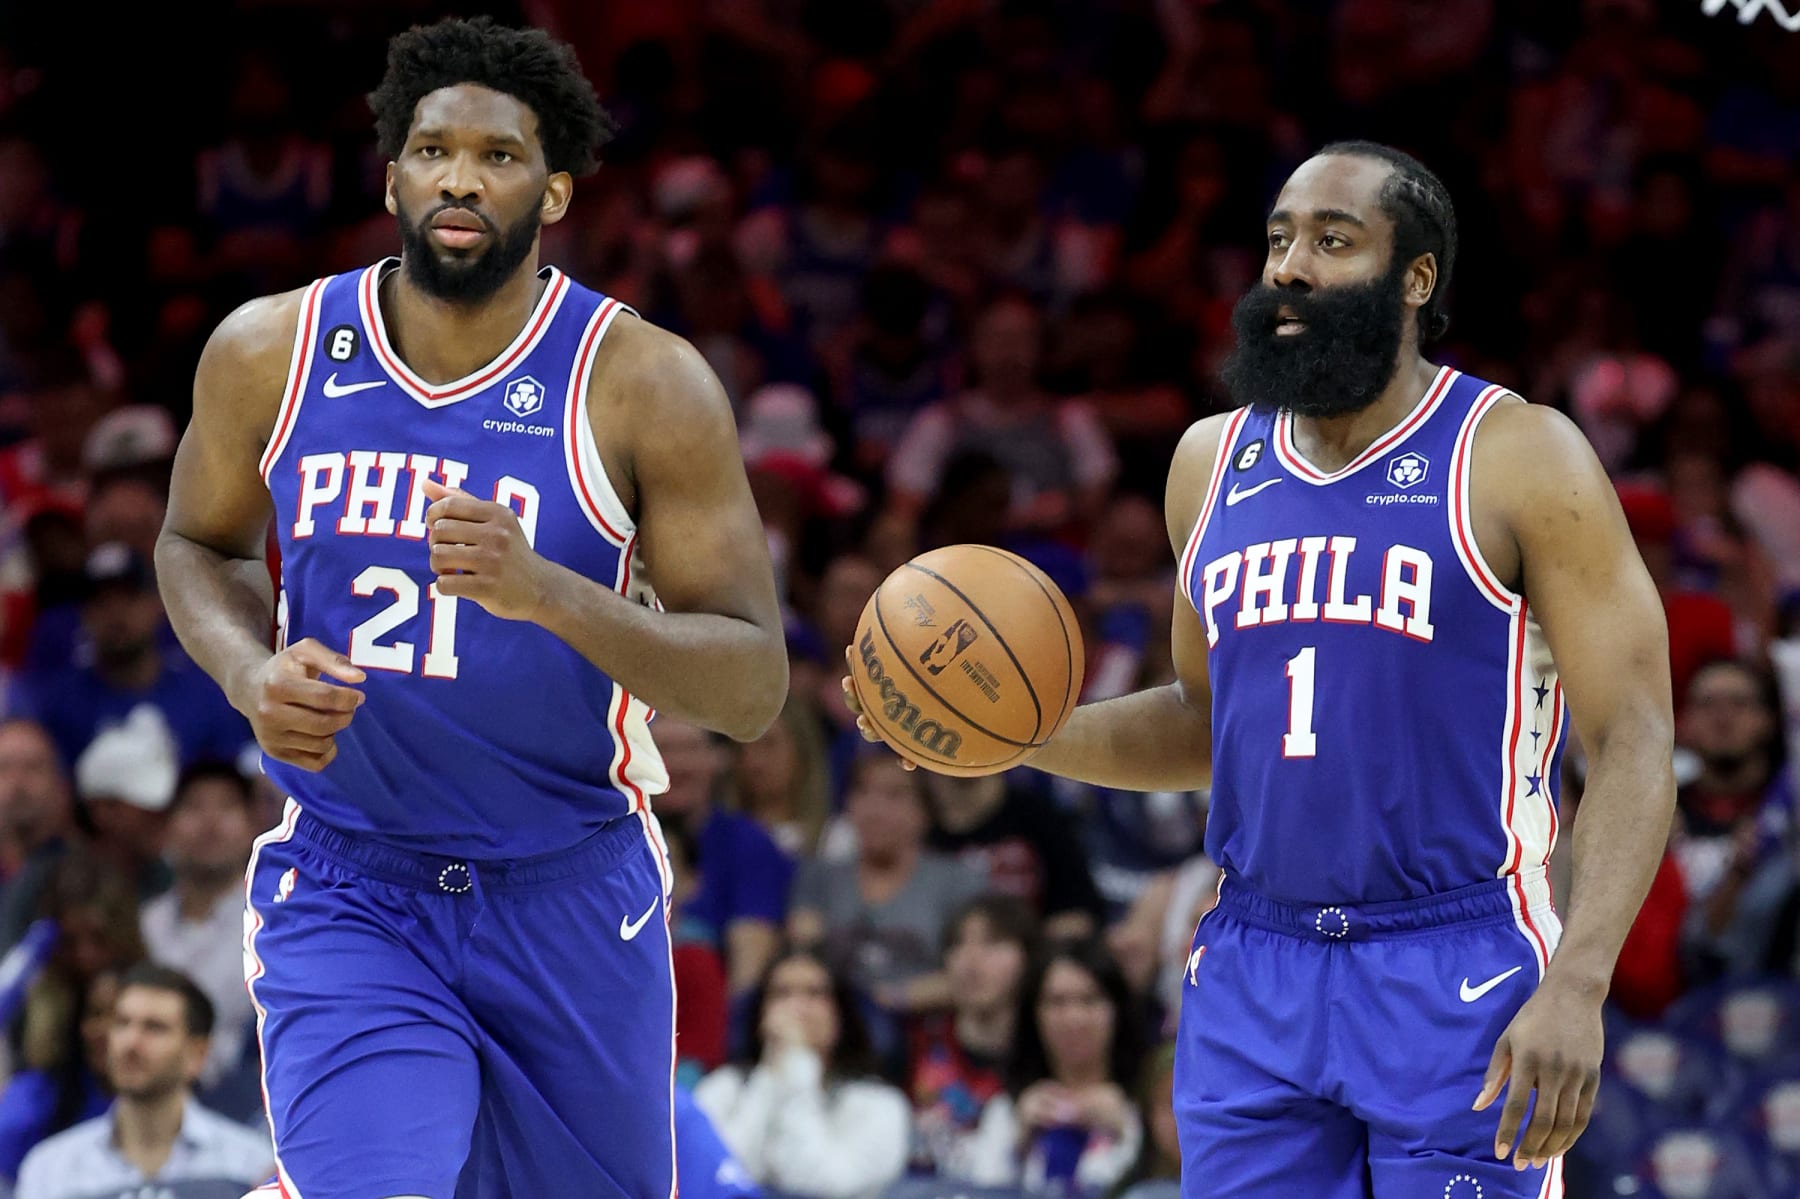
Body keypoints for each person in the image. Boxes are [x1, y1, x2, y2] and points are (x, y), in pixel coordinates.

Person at [848, 142, 1676, 1194]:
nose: (1289, 265)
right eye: (1280, 238)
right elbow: (1205, 723)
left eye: (1334, 241)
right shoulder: (1210, 463)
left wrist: (1580, 979)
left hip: (1456, 955)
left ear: (1415, 279)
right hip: (1256, 959)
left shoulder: (1519, 454)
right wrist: (1000, 728)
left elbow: (1635, 733)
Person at [153, 17, 786, 1199]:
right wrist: (248, 673)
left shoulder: (642, 382)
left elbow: (751, 686)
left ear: (553, 192)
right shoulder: (269, 351)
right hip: (354, 879)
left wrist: (548, 592)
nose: (459, 176)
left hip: (572, 887)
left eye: (499, 155)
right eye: (433, 148)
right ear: (391, 170)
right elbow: (197, 541)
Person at [13, 963, 274, 1199]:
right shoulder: (49, 1169)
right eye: (122, 1023)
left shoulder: (250, 1165)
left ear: (198, 1052)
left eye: (154, 1027)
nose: (131, 1042)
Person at [693, 948, 912, 1199]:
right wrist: (769, 1075)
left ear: (841, 1013)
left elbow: (821, 1186)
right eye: (782, 994)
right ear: (761, 1012)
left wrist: (798, 1064)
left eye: (814, 993)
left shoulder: (881, 1104)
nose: (797, 1008)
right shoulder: (723, 1087)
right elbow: (721, 1177)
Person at [787, 753, 985, 1015]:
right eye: (862, 791)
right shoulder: (819, 877)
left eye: (894, 795)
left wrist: (891, 1000)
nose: (874, 809)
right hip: (838, 1028)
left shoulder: (958, 883)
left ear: (924, 810)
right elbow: (801, 957)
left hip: (926, 1031)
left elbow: (978, 976)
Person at [958, 940, 1145, 1193]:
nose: (1073, 1018)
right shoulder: (1008, 1109)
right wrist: (1018, 1139)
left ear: (1117, 1010)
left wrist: (1127, 1130)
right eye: (1057, 1002)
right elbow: (979, 1191)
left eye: (1089, 1000)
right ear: (1033, 1014)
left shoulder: (1147, 1106)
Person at [138, 763, 260, 1091]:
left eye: (226, 806)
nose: (210, 823)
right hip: (153, 1090)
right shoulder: (144, 924)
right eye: (193, 806)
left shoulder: (275, 922)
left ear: (254, 824)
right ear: (166, 826)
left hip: (250, 1099)